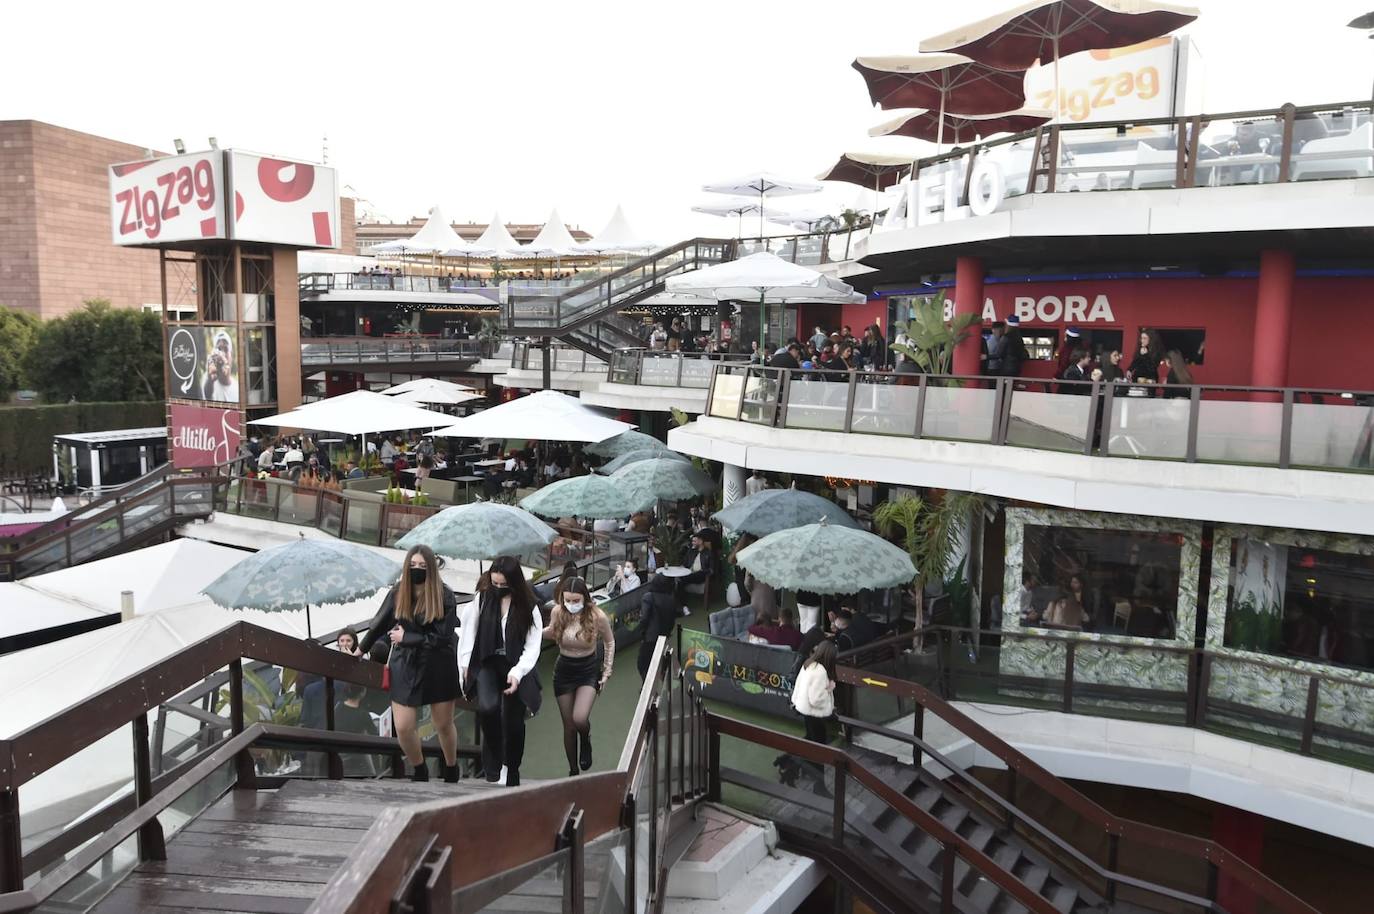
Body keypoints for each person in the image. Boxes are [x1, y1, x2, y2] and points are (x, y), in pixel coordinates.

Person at [356, 545, 462, 782]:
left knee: (443, 723)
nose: (417, 570)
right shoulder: (398, 592)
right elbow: (379, 623)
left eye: (423, 566)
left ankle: (452, 767)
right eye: (412, 565)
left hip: (438, 663)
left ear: (432, 569)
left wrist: (408, 638)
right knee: (403, 726)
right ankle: (419, 768)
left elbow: (443, 637)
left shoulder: (444, 595)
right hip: (405, 663)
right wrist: (361, 649)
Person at [459, 556, 543, 786]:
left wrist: (517, 673)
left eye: (502, 585)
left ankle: (512, 767)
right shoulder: (482, 599)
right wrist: (465, 664)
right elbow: (468, 632)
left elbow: (533, 646)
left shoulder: (529, 606)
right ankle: (493, 762)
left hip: (515, 664)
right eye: (494, 583)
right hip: (486, 661)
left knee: (513, 721)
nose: (497, 589)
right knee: (488, 707)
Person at [543, 576, 615, 776]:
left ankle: (586, 738)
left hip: (588, 669)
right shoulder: (558, 612)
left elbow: (609, 642)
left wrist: (607, 671)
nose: (571, 605)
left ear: (585, 598)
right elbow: (551, 632)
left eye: (576, 601)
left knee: (579, 718)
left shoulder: (597, 616)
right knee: (568, 726)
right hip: (564, 669)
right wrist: (531, 633)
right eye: (567, 600)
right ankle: (573, 771)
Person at [791, 640, 837, 746]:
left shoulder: (809, 663)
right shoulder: (820, 672)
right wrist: (829, 689)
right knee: (819, 740)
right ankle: (815, 760)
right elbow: (816, 700)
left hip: (804, 707)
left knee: (811, 735)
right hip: (814, 711)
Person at [638, 572, 680, 679]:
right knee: (662, 663)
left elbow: (644, 618)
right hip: (664, 637)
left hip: (650, 637)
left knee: (643, 664)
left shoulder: (648, 597)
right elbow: (672, 619)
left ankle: (646, 688)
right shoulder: (671, 599)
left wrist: (642, 631)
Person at [333, 682, 379, 776]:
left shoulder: (337, 708)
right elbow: (374, 735)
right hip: (357, 760)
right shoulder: (363, 715)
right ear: (362, 693)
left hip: (338, 756)